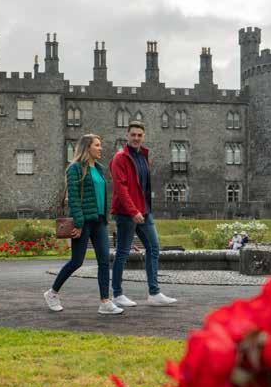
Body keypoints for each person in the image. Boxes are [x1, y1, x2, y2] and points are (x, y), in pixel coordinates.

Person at [44, 134, 123, 315]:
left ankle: (105, 302)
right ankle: (52, 293)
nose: (100, 148)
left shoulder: (100, 169)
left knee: (104, 261)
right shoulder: (75, 169)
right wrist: (78, 224)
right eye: (97, 145)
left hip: (99, 221)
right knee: (76, 261)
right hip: (84, 221)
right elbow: (73, 198)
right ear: (87, 147)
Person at [109, 120, 177, 306]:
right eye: (133, 135)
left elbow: (143, 187)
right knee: (122, 253)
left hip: (144, 211)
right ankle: (117, 294)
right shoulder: (120, 158)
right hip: (126, 213)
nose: (136, 138)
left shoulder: (143, 156)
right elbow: (121, 188)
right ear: (127, 136)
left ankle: (154, 293)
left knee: (154, 248)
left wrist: (143, 209)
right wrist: (132, 211)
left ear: (143, 136)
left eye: (139, 135)